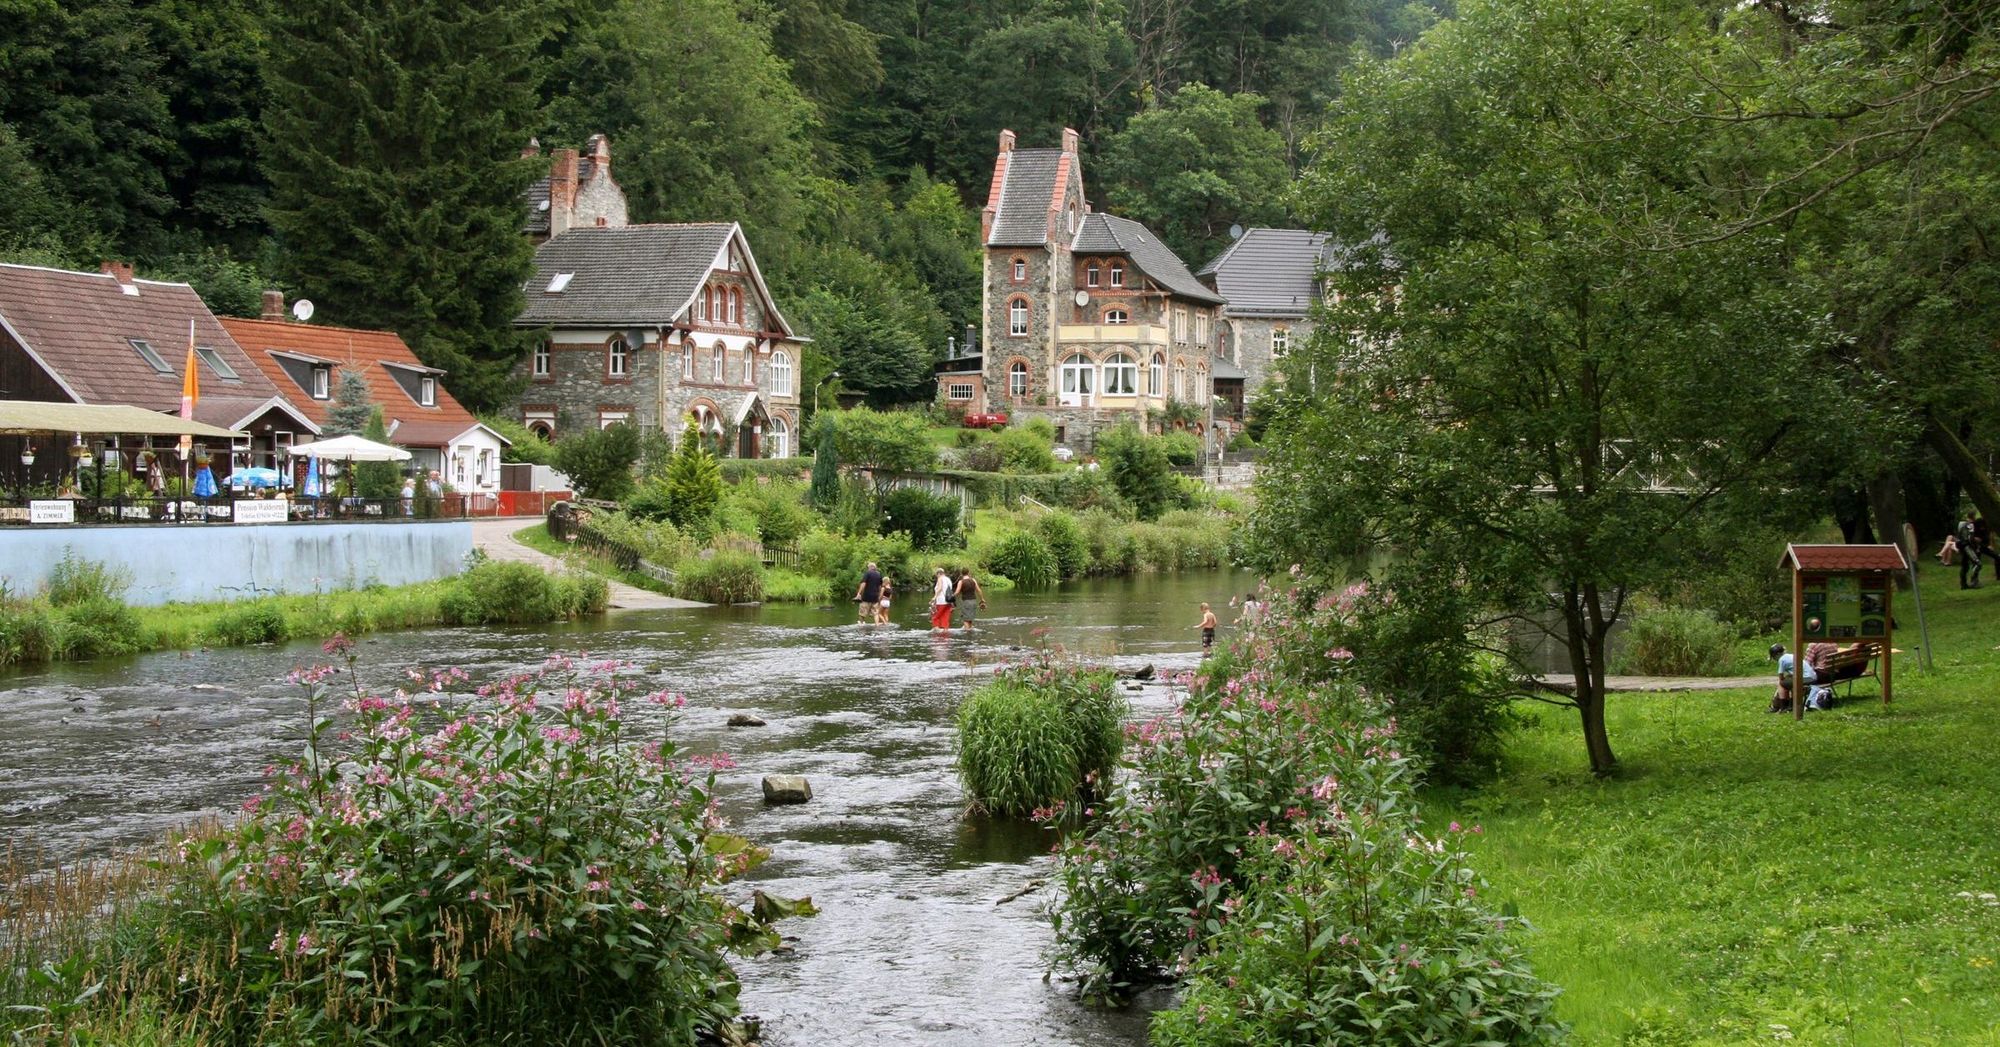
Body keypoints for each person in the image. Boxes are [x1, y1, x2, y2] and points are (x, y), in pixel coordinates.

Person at [1769, 642, 1833, 713]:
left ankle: (1783, 706)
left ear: (1777, 654)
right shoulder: (1791, 655)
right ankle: (1790, 705)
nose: (1774, 659)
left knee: (1782, 684)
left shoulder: (1782, 660)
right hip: (1813, 676)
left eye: (1774, 657)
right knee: (1790, 681)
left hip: (1806, 678)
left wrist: (1784, 680)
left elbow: (1781, 676)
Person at [1958, 510, 1982, 589]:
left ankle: (1963, 584)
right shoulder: (1970, 525)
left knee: (1965, 566)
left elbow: (1959, 535)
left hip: (1961, 546)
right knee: (1978, 563)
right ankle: (1973, 581)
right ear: (1973, 516)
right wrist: (1976, 542)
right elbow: (1970, 538)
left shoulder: (1961, 524)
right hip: (1967, 546)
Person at [930, 567, 956, 632]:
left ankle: (936, 632)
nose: (937, 576)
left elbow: (940, 588)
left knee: (935, 617)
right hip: (948, 601)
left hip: (941, 601)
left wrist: (934, 597)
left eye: (936, 575)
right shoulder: (948, 579)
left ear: (938, 573)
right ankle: (945, 632)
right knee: (945, 617)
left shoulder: (940, 578)